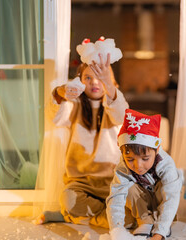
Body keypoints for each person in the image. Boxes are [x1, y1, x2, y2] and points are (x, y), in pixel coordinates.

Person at [34, 53, 129, 227]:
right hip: (81, 183)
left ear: (111, 81)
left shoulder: (114, 102)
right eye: (88, 78)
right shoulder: (75, 105)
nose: (94, 82)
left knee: (136, 206)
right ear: (80, 81)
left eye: (100, 77)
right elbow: (53, 116)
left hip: (113, 181)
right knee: (69, 200)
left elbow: (122, 114)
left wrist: (108, 84)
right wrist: (60, 92)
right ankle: (106, 217)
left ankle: (71, 216)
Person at [106, 109, 182, 239]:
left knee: (167, 189)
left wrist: (159, 233)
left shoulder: (167, 164)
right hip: (142, 205)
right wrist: (116, 230)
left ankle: (160, 223)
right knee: (126, 188)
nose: (138, 165)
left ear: (157, 149)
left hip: (161, 205)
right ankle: (145, 221)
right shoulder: (122, 168)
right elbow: (116, 199)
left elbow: (171, 198)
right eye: (130, 159)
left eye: (145, 158)